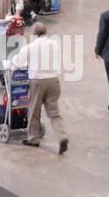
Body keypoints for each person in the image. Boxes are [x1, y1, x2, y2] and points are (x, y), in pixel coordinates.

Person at [9, 22, 68, 154]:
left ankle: (33, 139)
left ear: (34, 33)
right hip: (54, 81)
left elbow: (18, 62)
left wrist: (12, 62)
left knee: (34, 112)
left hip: (38, 82)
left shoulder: (30, 47)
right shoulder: (55, 44)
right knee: (54, 113)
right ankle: (62, 136)